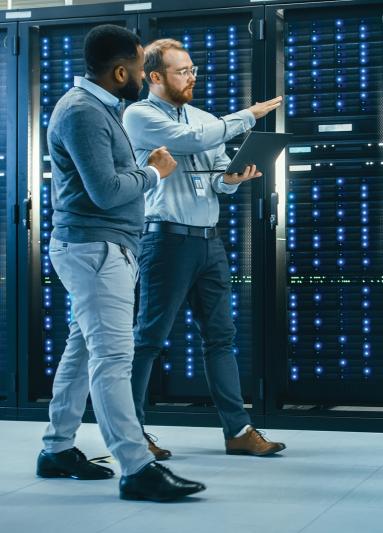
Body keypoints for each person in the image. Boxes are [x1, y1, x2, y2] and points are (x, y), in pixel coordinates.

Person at [36, 24, 205, 502]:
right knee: (114, 358)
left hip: (102, 248)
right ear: (118, 71)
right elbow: (107, 192)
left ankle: (56, 448)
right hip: (95, 249)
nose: (143, 75)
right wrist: (153, 172)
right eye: (137, 67)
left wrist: (140, 169)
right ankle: (138, 467)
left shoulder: (98, 108)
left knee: (83, 351)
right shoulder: (83, 112)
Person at [122, 38, 285, 459]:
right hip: (165, 240)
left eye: (193, 70)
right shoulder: (139, 115)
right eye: (182, 71)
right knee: (150, 338)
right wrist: (247, 116)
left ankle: (239, 431)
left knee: (221, 337)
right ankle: (132, 433)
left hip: (208, 242)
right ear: (155, 77)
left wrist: (229, 180)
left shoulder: (203, 117)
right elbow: (193, 141)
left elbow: (212, 171)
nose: (191, 77)